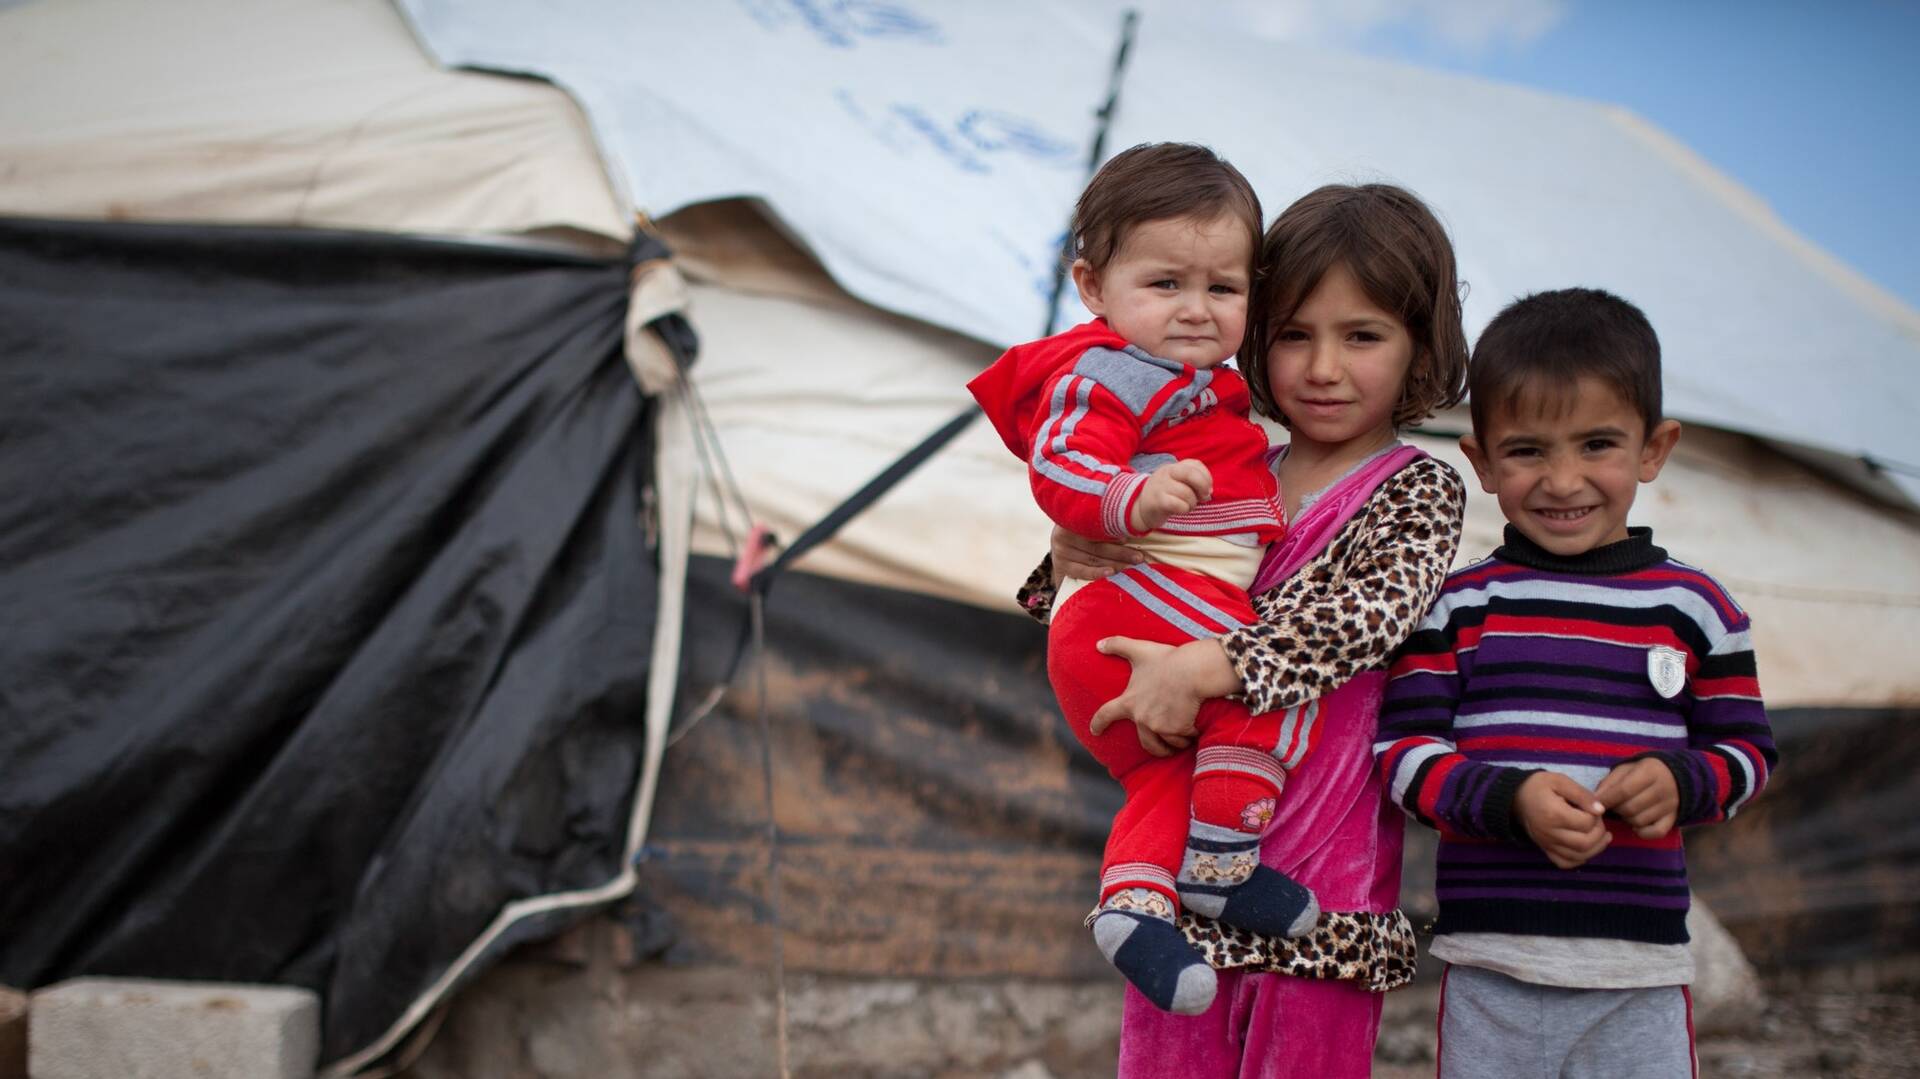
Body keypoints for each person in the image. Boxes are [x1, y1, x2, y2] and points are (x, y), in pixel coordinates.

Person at [1023, 181, 1470, 1077]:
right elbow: (1128, 573)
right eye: (1295, 333)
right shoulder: (1224, 457)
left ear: (1421, 344)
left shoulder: (1417, 487)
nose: (1323, 368)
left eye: (1363, 336)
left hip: (1319, 877)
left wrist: (1207, 667)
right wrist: (1072, 548)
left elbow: (1365, 617)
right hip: (1187, 866)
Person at [1374, 288, 1778, 1077]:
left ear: (1654, 449)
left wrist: (1681, 779)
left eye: (1597, 444)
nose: (1563, 480)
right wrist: (1508, 799)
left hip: (1641, 973)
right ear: (1482, 460)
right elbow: (1401, 755)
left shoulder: (1697, 608)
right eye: (1527, 450)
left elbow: (1748, 754)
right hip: (1492, 964)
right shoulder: (1458, 608)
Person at [970, 142, 1314, 1016]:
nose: (1197, 311)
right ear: (1092, 287)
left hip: (1135, 616)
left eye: (1224, 289)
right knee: (1265, 681)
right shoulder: (1114, 369)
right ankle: (1218, 867)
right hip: (1137, 609)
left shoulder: (1203, 383)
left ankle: (1132, 906)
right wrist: (1131, 496)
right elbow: (1064, 459)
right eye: (1166, 284)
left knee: (1164, 777)